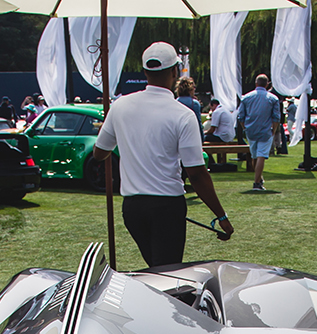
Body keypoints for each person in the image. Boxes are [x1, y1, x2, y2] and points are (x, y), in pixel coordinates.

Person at [92, 42, 233, 268]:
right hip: (167, 206)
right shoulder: (183, 115)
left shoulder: (120, 106)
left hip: (132, 208)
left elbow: (99, 153)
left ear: (145, 71)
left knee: (157, 269)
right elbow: (196, 173)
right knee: (166, 273)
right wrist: (221, 216)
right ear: (175, 72)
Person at [238, 74, 280, 191]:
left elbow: (241, 116)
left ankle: (259, 178)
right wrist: (274, 130)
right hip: (265, 130)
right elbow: (276, 117)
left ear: (256, 83)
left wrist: (245, 128)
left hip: (251, 130)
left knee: (254, 155)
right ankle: (256, 183)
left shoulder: (246, 97)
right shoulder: (273, 98)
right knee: (261, 155)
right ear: (267, 84)